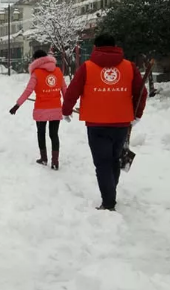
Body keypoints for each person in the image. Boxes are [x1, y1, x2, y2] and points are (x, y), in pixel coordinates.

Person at [62, 34, 147, 210]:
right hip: (122, 123)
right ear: (115, 46)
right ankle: (111, 192)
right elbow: (141, 92)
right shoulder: (129, 66)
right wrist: (137, 114)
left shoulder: (87, 67)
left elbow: (72, 91)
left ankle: (108, 202)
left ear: (95, 47)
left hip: (96, 124)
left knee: (102, 163)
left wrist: (66, 110)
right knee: (114, 160)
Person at [9, 50, 67, 170]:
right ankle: (55, 162)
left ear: (36, 60)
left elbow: (28, 90)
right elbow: (64, 89)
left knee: (41, 133)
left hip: (41, 109)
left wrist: (17, 105)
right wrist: (68, 106)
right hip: (56, 108)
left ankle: (44, 158)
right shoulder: (58, 71)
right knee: (54, 134)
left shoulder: (36, 73)